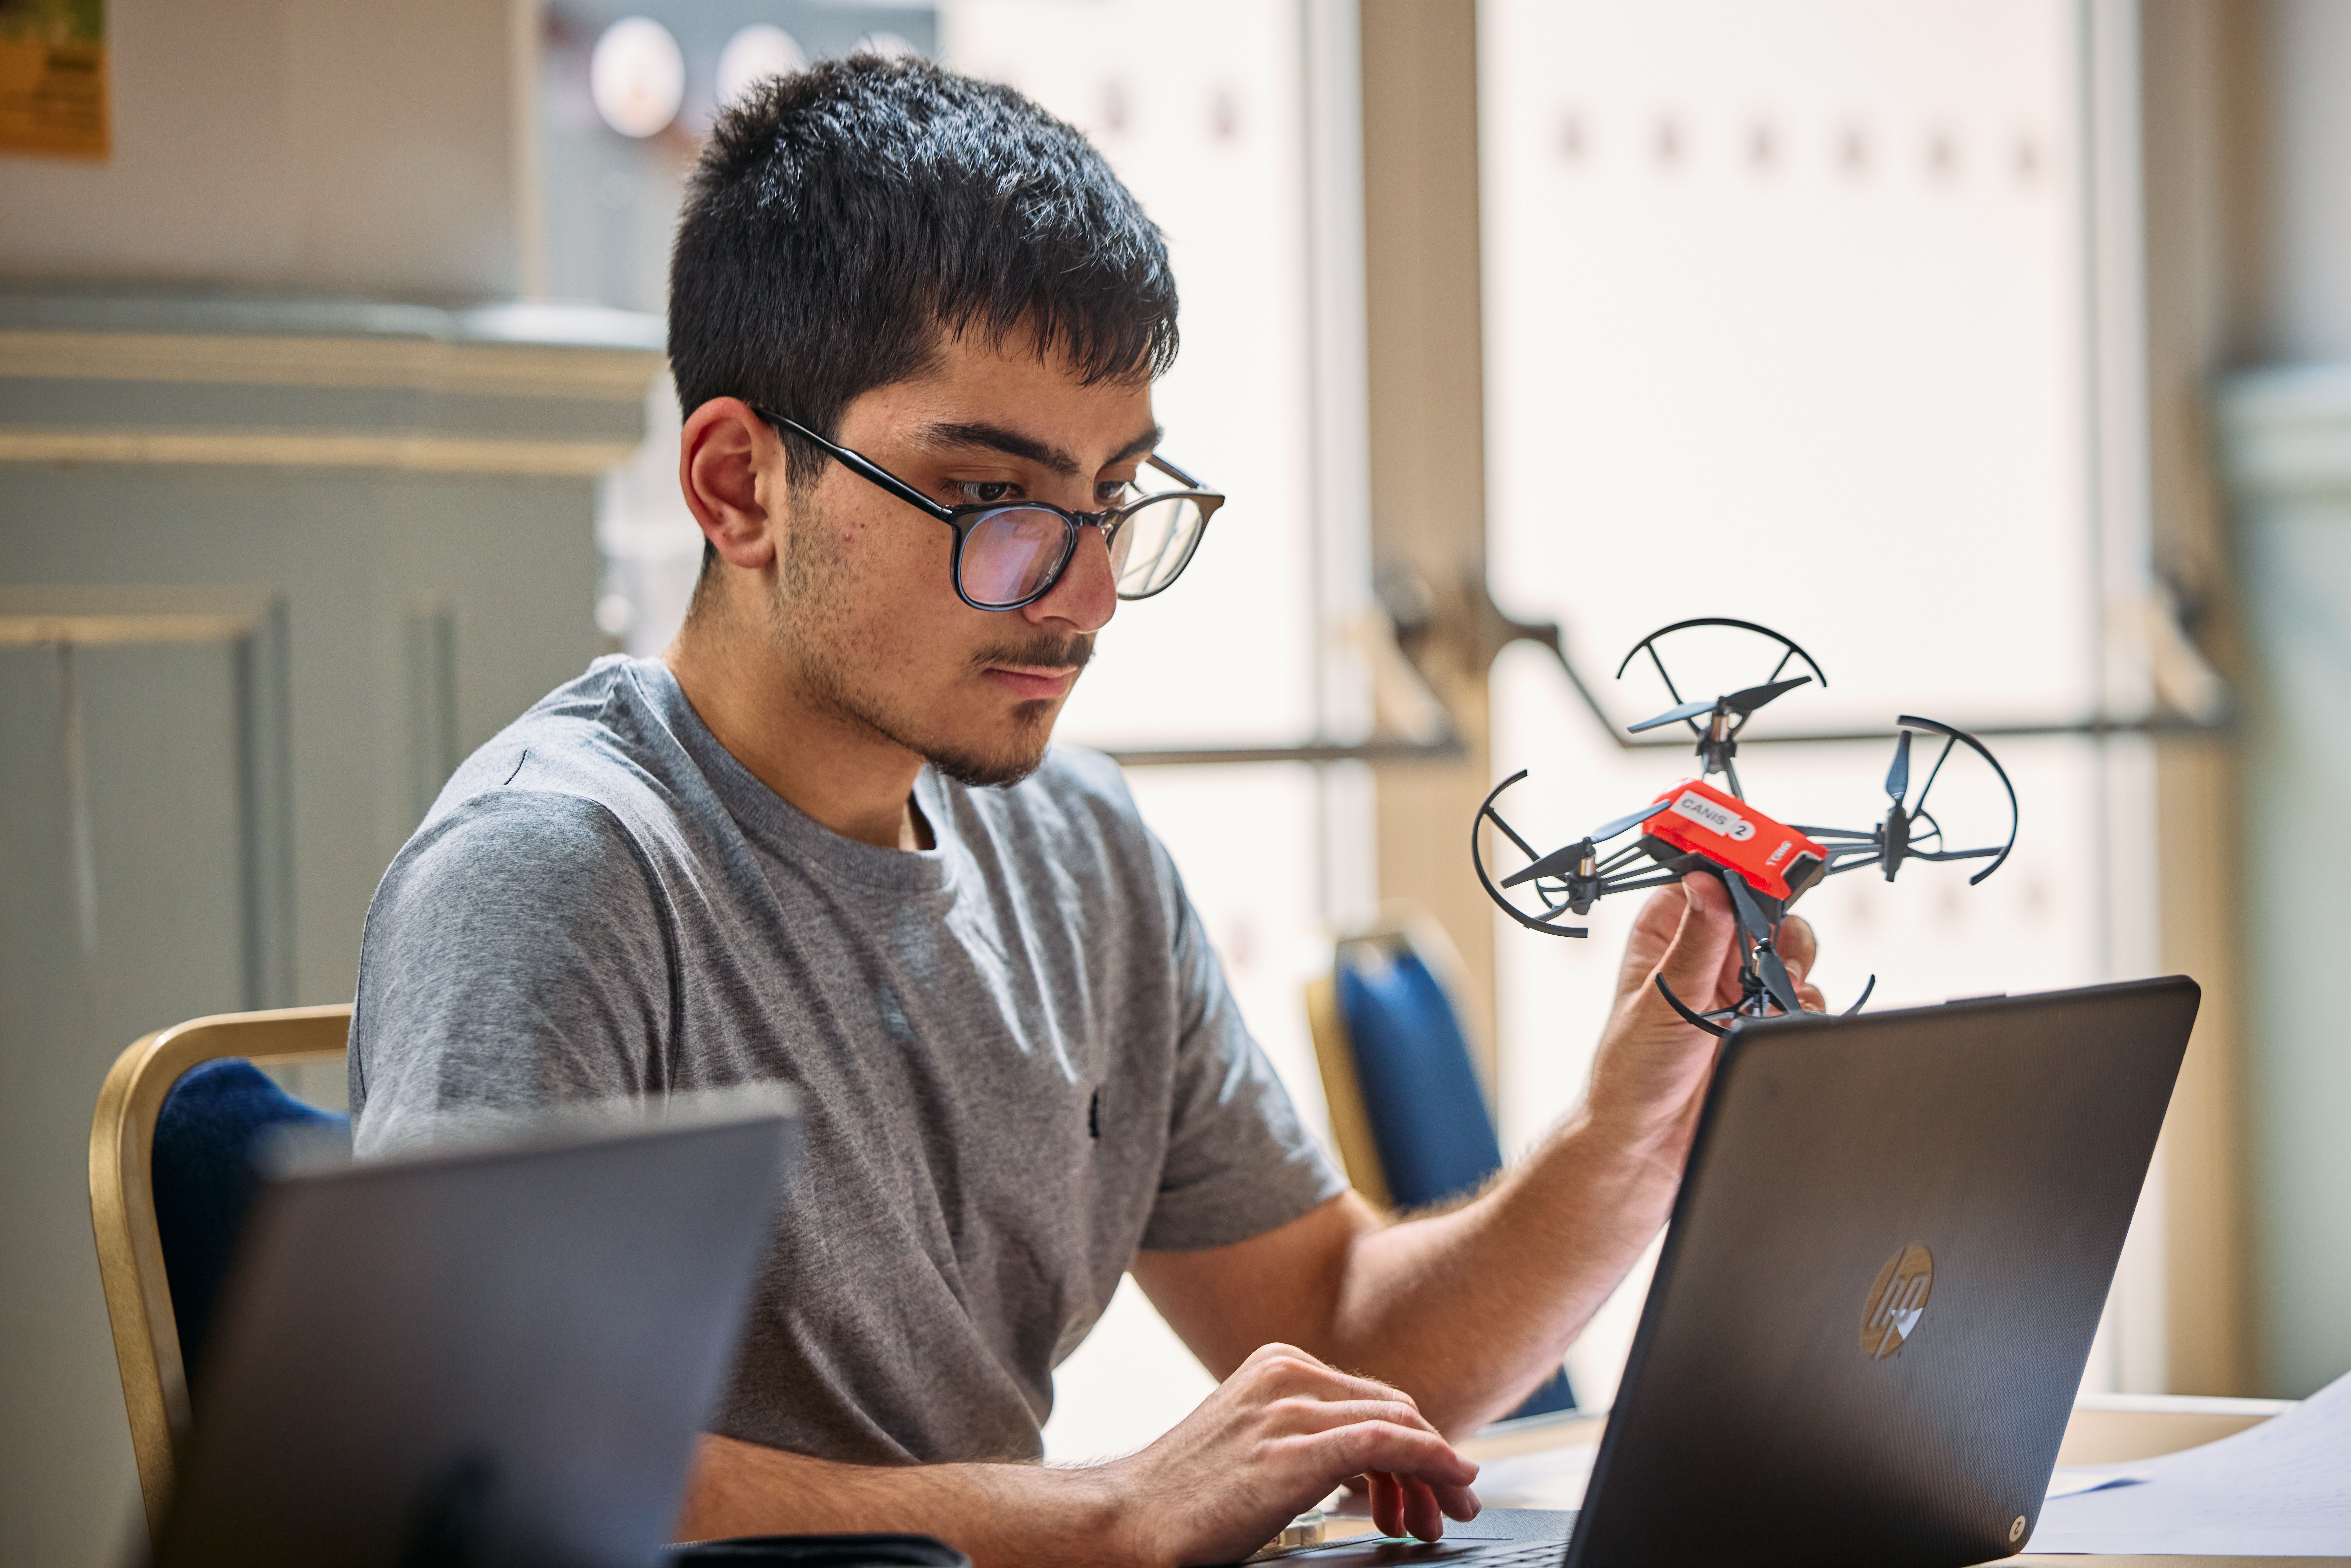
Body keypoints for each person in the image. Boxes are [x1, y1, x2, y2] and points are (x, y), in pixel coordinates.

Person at [348, 55, 1822, 1568]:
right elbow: (485, 1478)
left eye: (1116, 497)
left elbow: (1334, 1338)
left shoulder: (1083, 850)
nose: (1090, 593)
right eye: (995, 502)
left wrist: (1627, 1139)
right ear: (740, 488)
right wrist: (1107, 1513)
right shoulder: (553, 875)